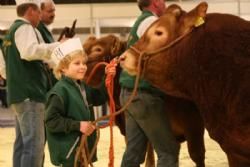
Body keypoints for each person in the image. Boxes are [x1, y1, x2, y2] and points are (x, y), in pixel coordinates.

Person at [119, 0, 180, 166]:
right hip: (144, 93)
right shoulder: (151, 22)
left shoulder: (141, 21)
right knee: (168, 151)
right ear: (155, 2)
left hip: (129, 93)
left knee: (134, 152)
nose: (165, 3)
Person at [2, 0, 61, 166]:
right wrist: (57, 46)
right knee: (34, 145)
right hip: (31, 95)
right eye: (38, 12)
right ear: (30, 11)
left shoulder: (10, 33)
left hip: (18, 94)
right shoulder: (25, 28)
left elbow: (3, 67)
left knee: (22, 144)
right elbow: (30, 51)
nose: (40, 16)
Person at [45, 37, 117, 167]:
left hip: (81, 148)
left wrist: (107, 77)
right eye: (77, 63)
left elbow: (99, 97)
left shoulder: (81, 86)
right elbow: (51, 121)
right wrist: (78, 125)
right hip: (69, 151)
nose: (83, 67)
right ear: (63, 69)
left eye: (84, 63)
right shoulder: (59, 92)